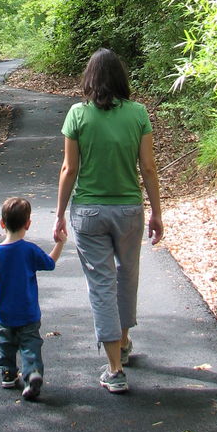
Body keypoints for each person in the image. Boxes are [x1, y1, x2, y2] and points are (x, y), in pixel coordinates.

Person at [53, 48, 163, 393]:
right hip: (129, 210)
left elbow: (70, 168)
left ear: (90, 78)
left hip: (88, 213)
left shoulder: (77, 114)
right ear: (121, 78)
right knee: (127, 276)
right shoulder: (138, 113)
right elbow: (148, 167)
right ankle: (124, 345)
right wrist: (157, 212)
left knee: (101, 284)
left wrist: (59, 215)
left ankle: (115, 368)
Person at [0, 196, 66, 401]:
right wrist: (60, 243)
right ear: (28, 224)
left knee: (6, 343)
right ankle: (32, 374)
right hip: (28, 312)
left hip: (4, 313)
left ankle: (8, 374)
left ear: (2, 224)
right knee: (30, 344)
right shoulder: (29, 250)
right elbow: (49, 263)